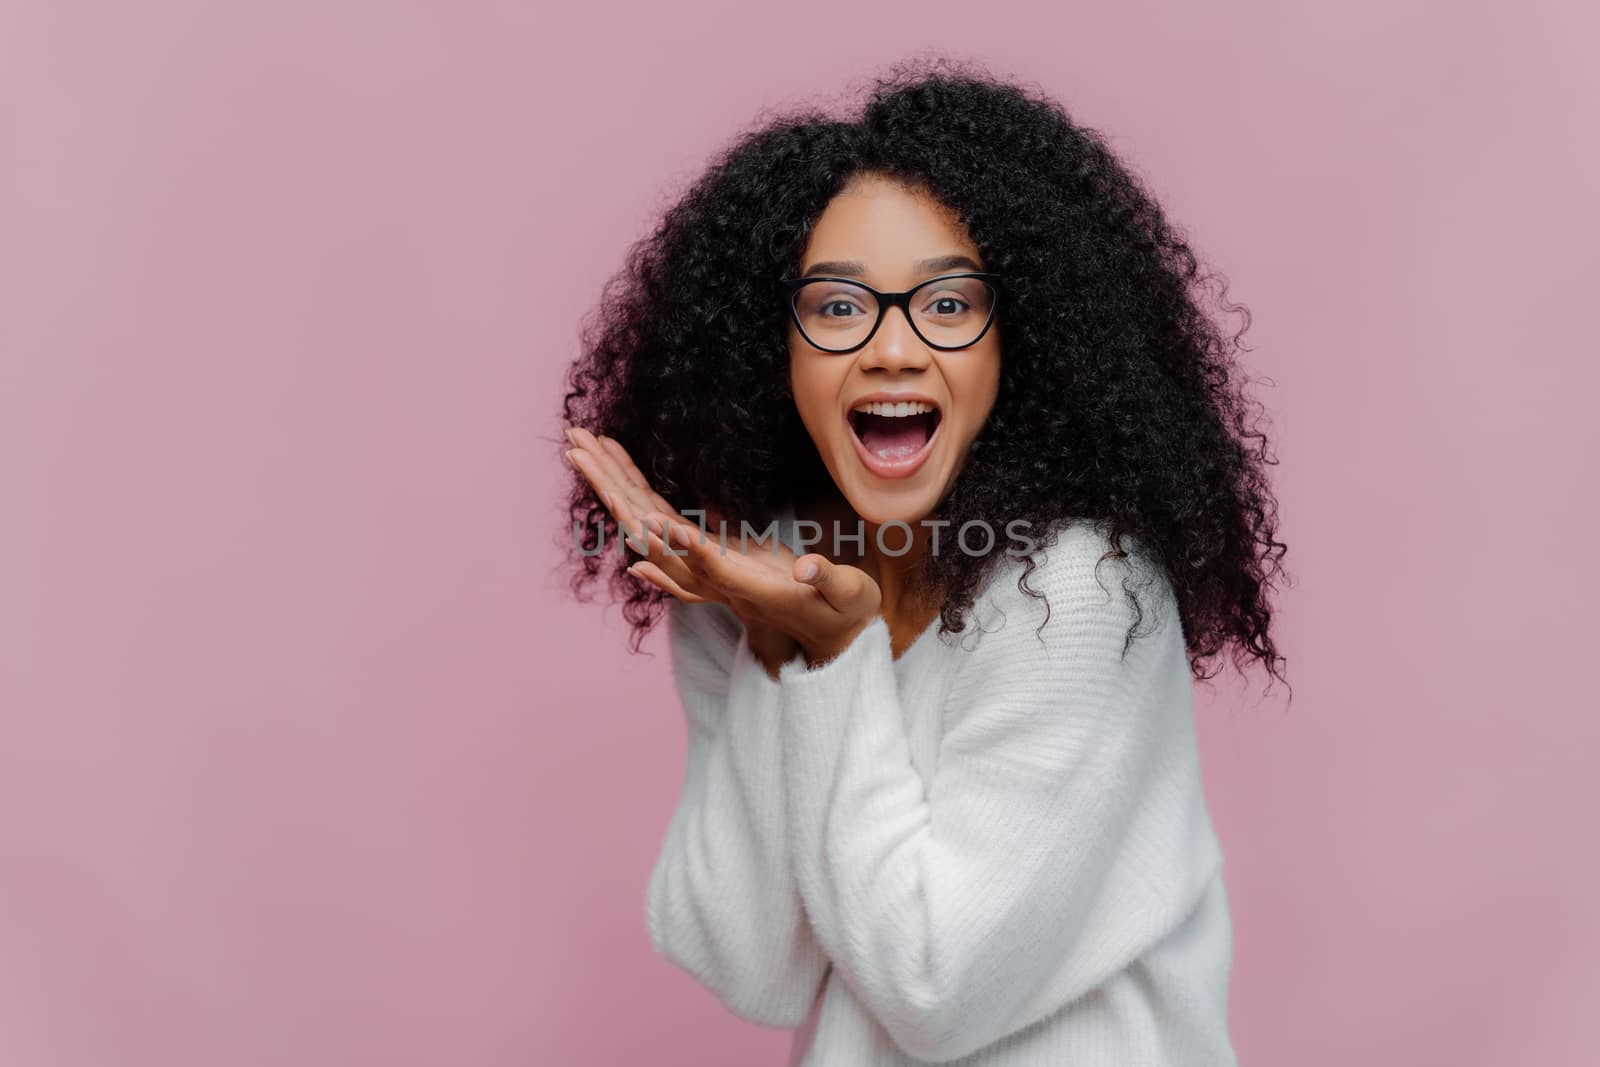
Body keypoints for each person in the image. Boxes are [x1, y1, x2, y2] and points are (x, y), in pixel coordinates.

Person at [560, 55, 1287, 1066]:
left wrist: (832, 641)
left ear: (1017, 339)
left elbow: (936, 986)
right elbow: (745, 961)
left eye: (947, 306)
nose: (893, 350)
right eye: (838, 306)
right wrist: (780, 637)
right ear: (778, 346)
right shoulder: (746, 576)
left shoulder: (1073, 587)